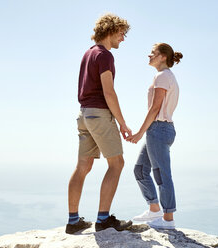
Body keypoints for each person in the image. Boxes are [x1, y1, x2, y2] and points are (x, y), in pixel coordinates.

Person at [66, 13, 133, 234]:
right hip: (99, 114)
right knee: (117, 164)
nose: (123, 38)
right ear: (111, 31)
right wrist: (122, 123)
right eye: (122, 33)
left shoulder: (88, 53)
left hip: (84, 114)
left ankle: (73, 222)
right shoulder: (105, 55)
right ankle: (103, 220)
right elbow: (109, 92)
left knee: (82, 167)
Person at [127, 43, 183, 229]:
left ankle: (168, 220)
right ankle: (154, 209)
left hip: (158, 129)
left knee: (161, 174)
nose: (149, 55)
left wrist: (139, 132)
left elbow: (155, 108)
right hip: (159, 130)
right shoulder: (164, 76)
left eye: (153, 53)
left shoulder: (163, 76)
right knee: (141, 170)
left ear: (163, 57)